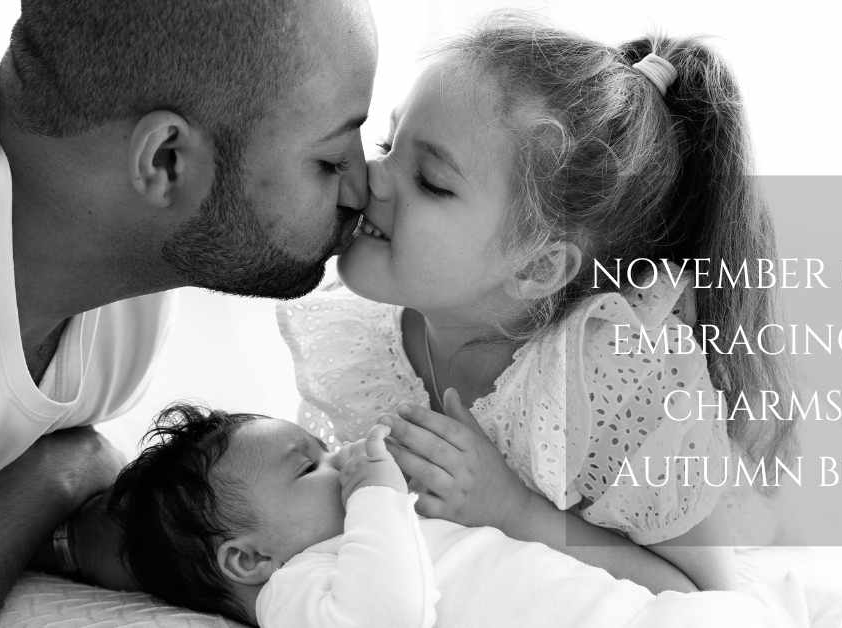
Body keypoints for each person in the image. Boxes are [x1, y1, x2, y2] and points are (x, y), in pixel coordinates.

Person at [0, 0, 376, 625]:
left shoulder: (116, 285)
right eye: (330, 160)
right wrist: (59, 471)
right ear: (166, 160)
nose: (363, 188)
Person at [276, 13, 796, 594]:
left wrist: (512, 509)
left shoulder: (607, 380)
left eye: (431, 181)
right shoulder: (361, 343)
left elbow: (705, 592)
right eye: (387, 144)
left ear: (537, 267)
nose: (374, 177)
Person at [107, 404, 801, 628]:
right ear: (247, 558)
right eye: (308, 464)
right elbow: (389, 613)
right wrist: (375, 490)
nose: (342, 458)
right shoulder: (297, 590)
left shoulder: (360, 539)